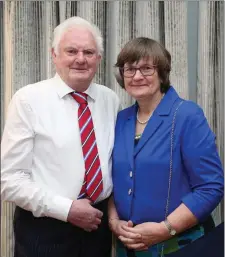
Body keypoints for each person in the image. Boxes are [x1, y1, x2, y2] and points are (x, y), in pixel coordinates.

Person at [1, 16, 120, 257]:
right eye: (71, 51)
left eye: (88, 52)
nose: (80, 59)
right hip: (46, 229)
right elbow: (9, 181)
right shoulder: (28, 100)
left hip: (97, 228)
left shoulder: (110, 100)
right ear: (54, 55)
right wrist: (67, 209)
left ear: (99, 58)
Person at [108, 37, 224, 257]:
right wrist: (114, 221)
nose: (138, 76)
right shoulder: (121, 120)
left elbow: (211, 187)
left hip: (181, 245)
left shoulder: (187, 115)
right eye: (130, 69)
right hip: (128, 247)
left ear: (162, 73)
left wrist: (165, 229)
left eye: (146, 68)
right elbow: (113, 179)